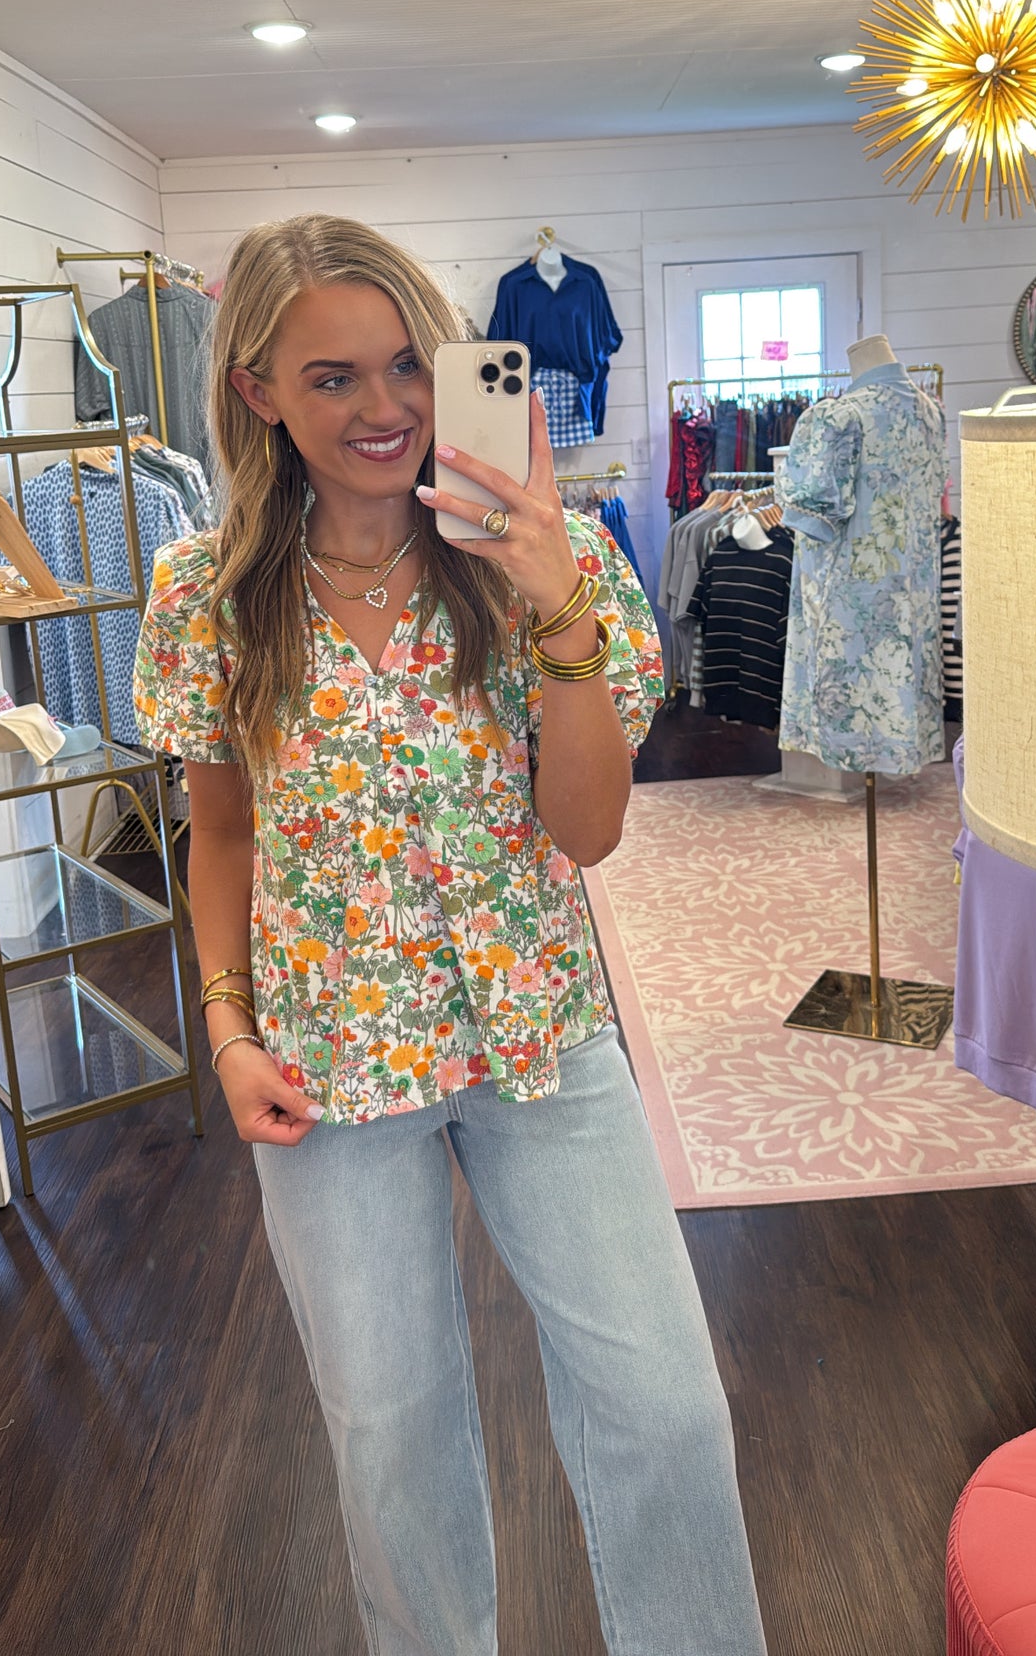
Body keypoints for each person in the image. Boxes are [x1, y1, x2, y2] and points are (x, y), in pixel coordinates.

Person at [133, 213, 768, 1656]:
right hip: (331, 1068)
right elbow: (220, 833)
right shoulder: (206, 595)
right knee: (392, 1440)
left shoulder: (547, 559)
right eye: (334, 377)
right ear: (259, 392)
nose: (387, 407)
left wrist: (556, 610)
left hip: (546, 1038)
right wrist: (226, 1031)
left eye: (410, 364)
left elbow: (588, 831)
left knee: (665, 1408)